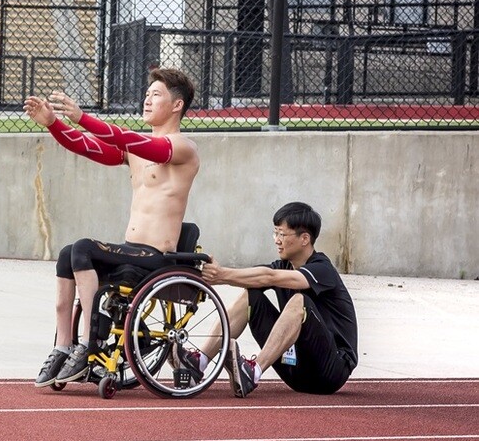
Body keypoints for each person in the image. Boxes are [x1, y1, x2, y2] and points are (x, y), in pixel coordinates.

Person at [23, 67, 200, 388]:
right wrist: (53, 123)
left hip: (157, 256)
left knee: (84, 247)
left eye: (156, 95)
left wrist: (82, 117)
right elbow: (87, 147)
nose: (146, 101)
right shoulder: (138, 148)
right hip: (131, 250)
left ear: (177, 106)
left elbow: (129, 140)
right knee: (67, 254)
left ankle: (92, 341)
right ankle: (64, 346)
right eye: (146, 95)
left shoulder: (182, 148)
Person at [190, 202, 358, 398]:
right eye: (275, 233)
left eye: (282, 234)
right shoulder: (283, 266)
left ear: (305, 238)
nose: (276, 240)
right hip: (295, 371)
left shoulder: (323, 269)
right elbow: (253, 276)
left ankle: (252, 372)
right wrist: (205, 276)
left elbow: (269, 277)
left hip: (331, 371)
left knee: (299, 301)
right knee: (251, 294)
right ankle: (198, 362)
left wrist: (222, 275)